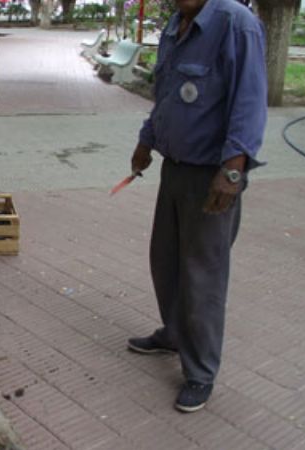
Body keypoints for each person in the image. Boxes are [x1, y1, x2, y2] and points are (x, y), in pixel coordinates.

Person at [126, 0, 267, 413]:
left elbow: (250, 101)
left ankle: (201, 371)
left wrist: (234, 170)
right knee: (165, 260)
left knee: (202, 274)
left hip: (212, 175)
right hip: (175, 167)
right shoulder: (176, 26)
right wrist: (146, 140)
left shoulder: (236, 24)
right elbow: (165, 95)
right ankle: (173, 332)